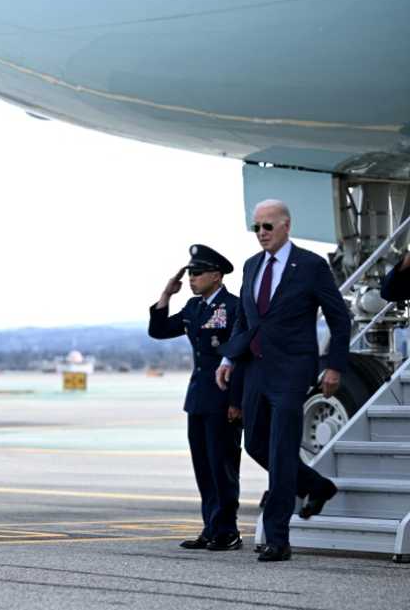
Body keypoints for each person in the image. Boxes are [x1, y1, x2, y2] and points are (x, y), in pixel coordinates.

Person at [216, 199, 351, 562]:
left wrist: (334, 366)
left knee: (280, 449)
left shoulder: (310, 265)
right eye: (256, 227)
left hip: (292, 370)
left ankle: (278, 538)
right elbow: (247, 320)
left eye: (267, 226)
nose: (261, 234)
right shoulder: (251, 266)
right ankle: (317, 486)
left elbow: (339, 317)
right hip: (255, 369)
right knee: (256, 444)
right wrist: (230, 357)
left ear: (286, 225)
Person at [148, 245, 244, 551]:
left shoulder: (235, 307)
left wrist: (236, 400)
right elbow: (159, 330)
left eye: (197, 273)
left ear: (216, 276)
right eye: (190, 273)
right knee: (203, 467)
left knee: (223, 466)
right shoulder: (193, 307)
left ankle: (228, 531)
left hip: (224, 398)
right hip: (199, 398)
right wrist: (167, 294)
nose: (192, 278)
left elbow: (243, 357)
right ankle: (211, 527)